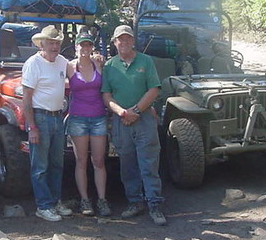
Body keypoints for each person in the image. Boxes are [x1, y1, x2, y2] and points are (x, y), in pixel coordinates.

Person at [101, 24, 167, 226]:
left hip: (144, 118)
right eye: (120, 39)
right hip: (121, 121)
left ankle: (154, 204)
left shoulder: (145, 61)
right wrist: (121, 112)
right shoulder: (109, 66)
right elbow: (106, 95)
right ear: (114, 43)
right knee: (127, 164)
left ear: (133, 41)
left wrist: (136, 111)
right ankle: (135, 202)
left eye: (127, 38)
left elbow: (154, 89)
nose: (124, 42)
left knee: (148, 163)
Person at [22, 25, 73, 222]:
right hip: (40, 117)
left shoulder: (62, 61)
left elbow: (77, 70)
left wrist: (94, 59)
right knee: (40, 165)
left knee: (57, 163)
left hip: (57, 117)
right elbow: (26, 99)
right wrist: (32, 127)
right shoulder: (33, 63)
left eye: (57, 43)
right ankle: (43, 206)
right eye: (51, 43)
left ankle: (54, 201)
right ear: (42, 44)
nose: (54, 46)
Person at [66, 32, 111, 217]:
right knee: (81, 161)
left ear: (92, 47)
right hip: (78, 118)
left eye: (88, 45)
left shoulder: (98, 64)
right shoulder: (69, 66)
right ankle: (85, 200)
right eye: (81, 45)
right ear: (75, 47)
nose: (84, 49)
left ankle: (102, 199)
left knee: (99, 161)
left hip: (98, 117)